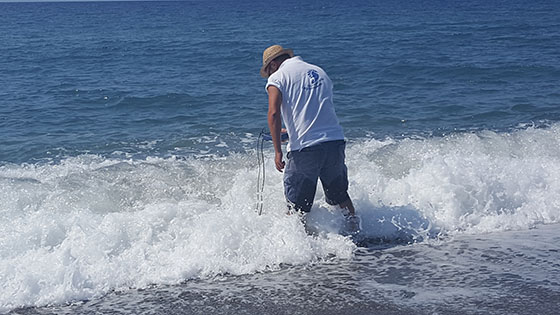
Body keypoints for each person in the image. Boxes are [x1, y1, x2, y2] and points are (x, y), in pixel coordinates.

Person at [260, 44, 359, 231]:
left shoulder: (278, 77)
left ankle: (299, 253)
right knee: (340, 197)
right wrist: (289, 132)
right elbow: (316, 111)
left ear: (273, 64)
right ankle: (358, 236)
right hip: (334, 142)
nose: (270, 72)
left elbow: (273, 114)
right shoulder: (319, 72)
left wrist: (277, 152)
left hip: (305, 149)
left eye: (269, 68)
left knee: (296, 207)